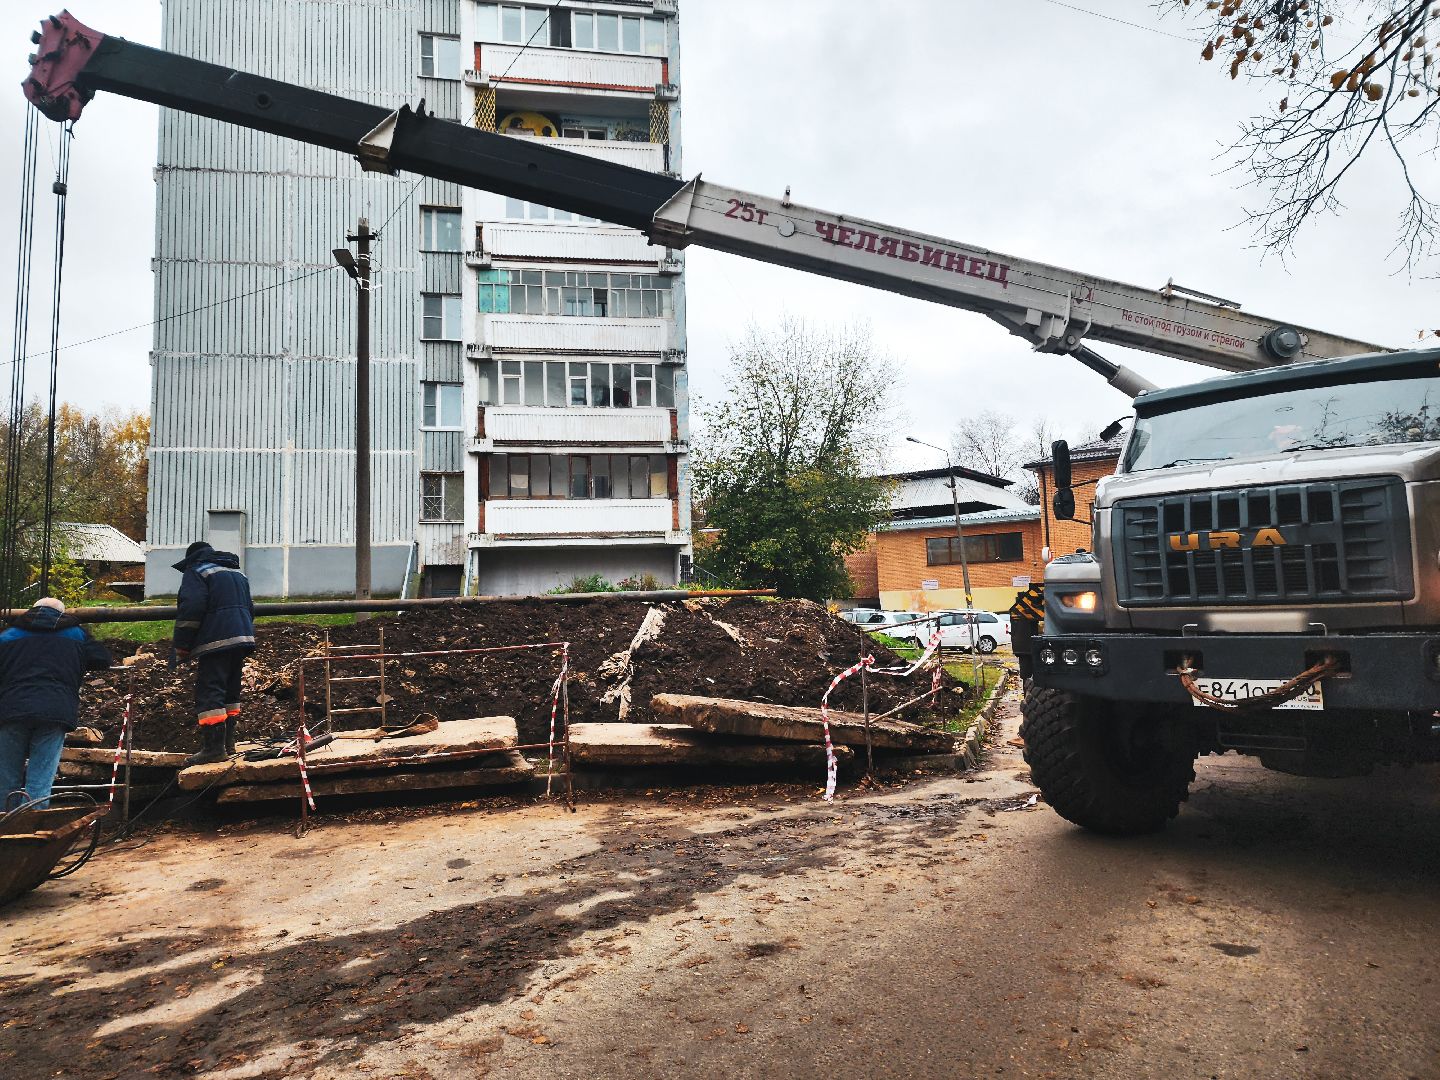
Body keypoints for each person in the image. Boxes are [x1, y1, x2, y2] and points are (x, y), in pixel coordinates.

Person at [0, 597, 112, 809]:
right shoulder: (76, 634)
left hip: (11, 711)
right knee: (40, 778)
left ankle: (4, 830)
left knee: (6, 777)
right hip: (54, 710)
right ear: (62, 613)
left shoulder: (7, 636)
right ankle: (32, 831)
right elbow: (103, 659)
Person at [172, 541, 255, 766]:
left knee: (210, 690)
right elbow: (250, 606)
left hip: (216, 638)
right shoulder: (237, 573)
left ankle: (213, 749)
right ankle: (228, 743)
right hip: (242, 636)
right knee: (230, 689)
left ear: (192, 559)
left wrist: (182, 644)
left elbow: (191, 608)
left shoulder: (197, 571)